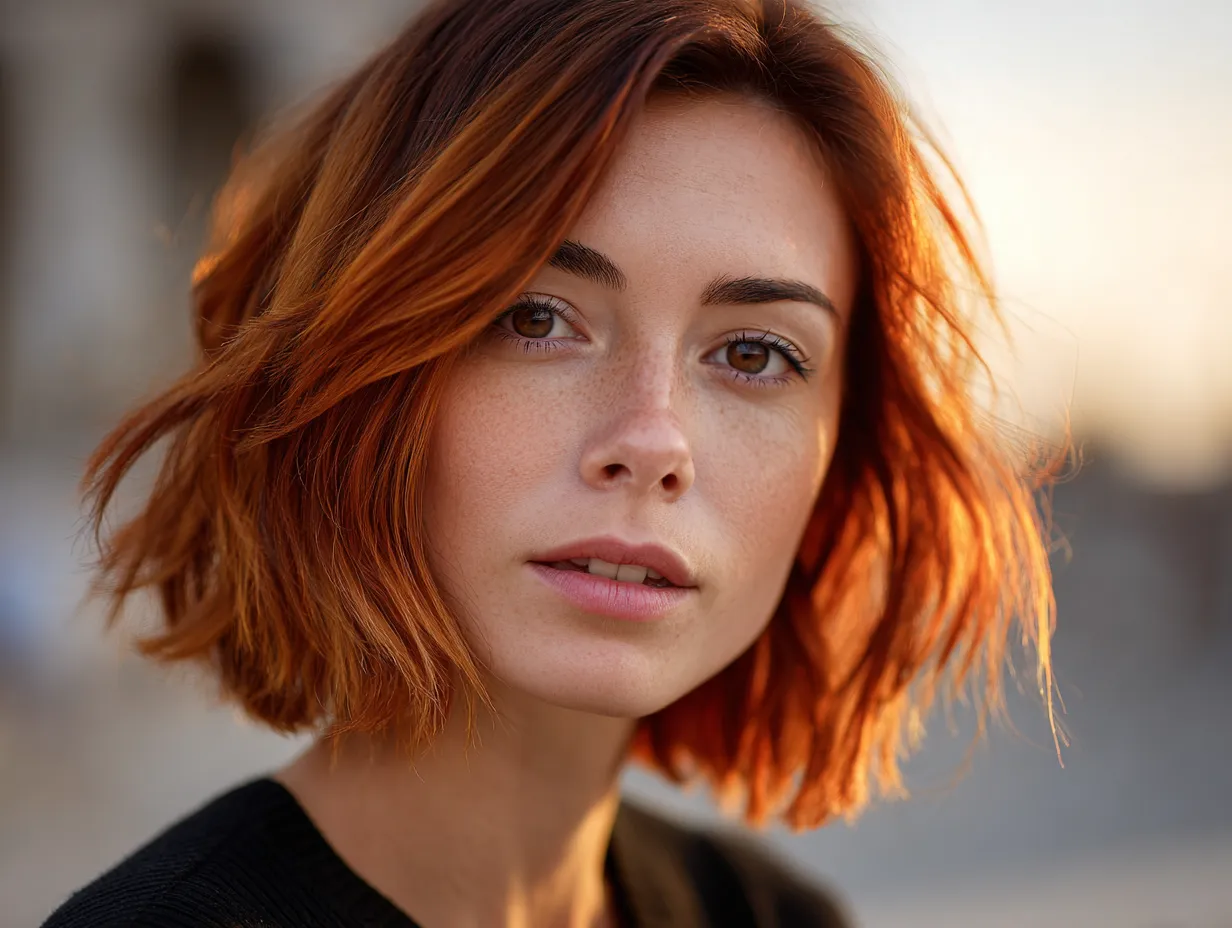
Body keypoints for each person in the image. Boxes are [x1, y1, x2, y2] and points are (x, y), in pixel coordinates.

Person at [42, 0, 1061, 925]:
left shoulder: (768, 916)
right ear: (350, 371)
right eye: (534, 318)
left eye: (753, 353)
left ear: (839, 459)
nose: (651, 440)